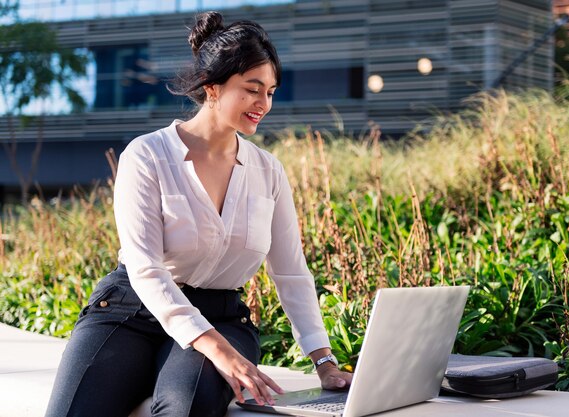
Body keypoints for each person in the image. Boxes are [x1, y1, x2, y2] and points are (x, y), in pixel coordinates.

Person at [45, 11, 352, 417]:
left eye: (271, 91)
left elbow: (291, 272)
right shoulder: (148, 155)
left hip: (221, 315)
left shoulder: (268, 171)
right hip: (129, 312)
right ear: (212, 87)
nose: (264, 104)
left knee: (184, 407)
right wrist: (215, 349)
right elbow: (146, 268)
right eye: (252, 89)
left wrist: (324, 362)